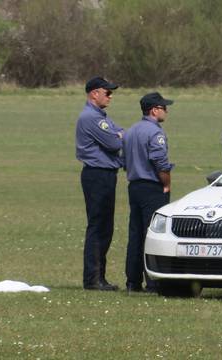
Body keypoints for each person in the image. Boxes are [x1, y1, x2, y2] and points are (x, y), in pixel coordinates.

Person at [75, 76, 124, 291]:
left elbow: (123, 133)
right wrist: (118, 135)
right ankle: (92, 279)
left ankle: (100, 277)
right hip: (97, 175)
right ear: (94, 93)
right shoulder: (91, 118)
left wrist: (119, 134)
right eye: (107, 92)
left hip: (105, 174)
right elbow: (115, 141)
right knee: (98, 226)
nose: (110, 97)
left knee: (106, 227)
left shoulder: (101, 117)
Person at [123, 92, 174, 293]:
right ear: (154, 110)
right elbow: (160, 163)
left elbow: (124, 160)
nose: (166, 111)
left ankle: (132, 281)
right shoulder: (155, 133)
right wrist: (167, 184)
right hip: (152, 187)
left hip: (134, 186)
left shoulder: (130, 131)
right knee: (152, 234)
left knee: (135, 234)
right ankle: (153, 282)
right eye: (164, 108)